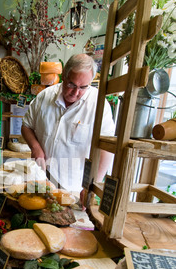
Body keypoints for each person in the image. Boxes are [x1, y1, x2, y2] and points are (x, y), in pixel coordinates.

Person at [21, 53, 115, 199]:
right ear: (64, 75)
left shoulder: (99, 105)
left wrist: (93, 185)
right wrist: (35, 147)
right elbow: (27, 126)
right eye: (71, 84)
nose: (76, 92)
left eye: (83, 87)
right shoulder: (44, 97)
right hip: (41, 180)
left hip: (74, 188)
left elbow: (107, 149)